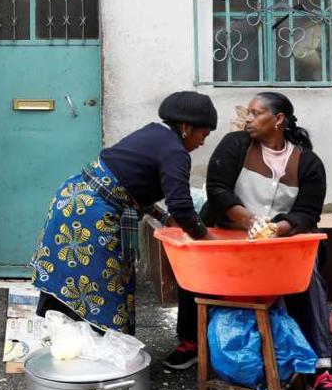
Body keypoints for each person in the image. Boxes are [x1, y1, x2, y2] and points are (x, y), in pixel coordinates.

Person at [162, 92, 332, 390]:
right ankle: (192, 341)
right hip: (228, 231)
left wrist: (279, 229)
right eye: (247, 113)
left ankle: (320, 368)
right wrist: (249, 221)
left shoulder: (308, 162)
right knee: (196, 267)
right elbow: (217, 190)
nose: (247, 118)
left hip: (281, 240)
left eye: (255, 113)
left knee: (309, 275)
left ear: (278, 120)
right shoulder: (236, 145)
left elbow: (308, 211)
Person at [31, 91, 217, 335]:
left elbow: (129, 184)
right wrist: (208, 241)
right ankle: (91, 353)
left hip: (73, 201)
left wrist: (163, 218)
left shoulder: (154, 133)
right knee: (98, 287)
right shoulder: (175, 151)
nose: (202, 142)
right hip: (89, 217)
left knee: (75, 281)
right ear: (186, 127)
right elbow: (181, 205)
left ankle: (72, 346)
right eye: (203, 134)